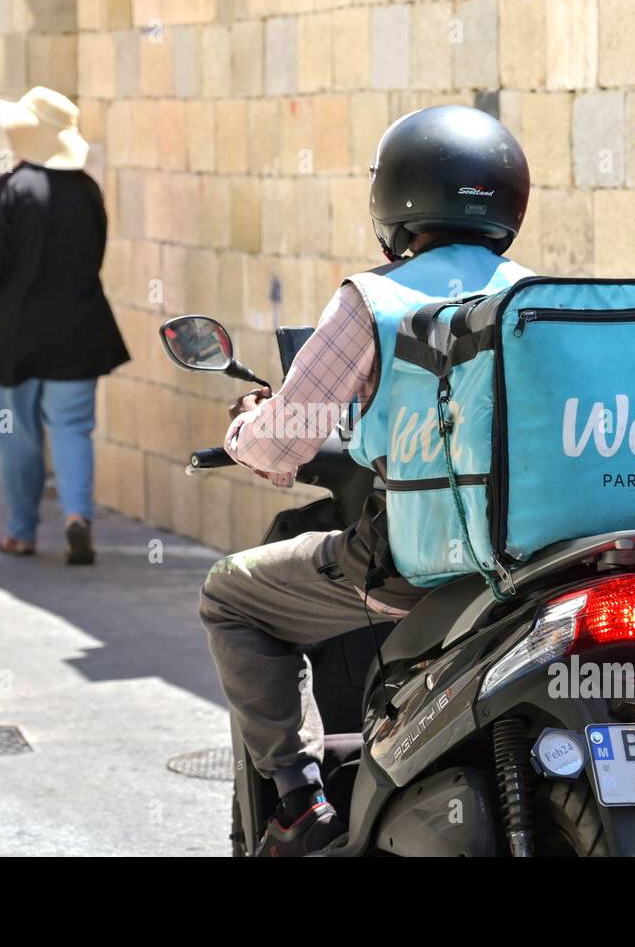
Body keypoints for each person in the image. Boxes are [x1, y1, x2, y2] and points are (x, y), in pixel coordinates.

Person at [198, 105, 533, 856]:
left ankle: (296, 796)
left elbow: (284, 444)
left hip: (420, 567)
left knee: (229, 591)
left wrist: (245, 423)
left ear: (397, 201)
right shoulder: (538, 298)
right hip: (533, 563)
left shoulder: (373, 300)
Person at [0, 87, 128, 565]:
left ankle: (20, 530)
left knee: (18, 432)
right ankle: (77, 516)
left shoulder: (11, 189)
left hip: (13, 335)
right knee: (73, 427)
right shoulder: (87, 190)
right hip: (78, 329)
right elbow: (94, 257)